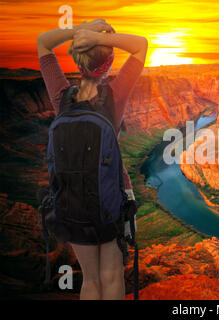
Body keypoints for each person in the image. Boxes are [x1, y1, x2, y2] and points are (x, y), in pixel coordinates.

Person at [37, 19, 148, 300]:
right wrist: (100, 37)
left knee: (90, 279)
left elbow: (43, 43)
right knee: (111, 275)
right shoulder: (114, 94)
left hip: (70, 199)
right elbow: (141, 45)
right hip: (111, 196)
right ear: (108, 64)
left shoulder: (61, 96)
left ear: (77, 62)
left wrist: (79, 32)